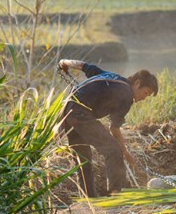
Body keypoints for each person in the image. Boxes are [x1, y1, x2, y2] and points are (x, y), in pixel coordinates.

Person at [57, 59, 158, 197]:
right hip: (80, 113)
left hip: (68, 111)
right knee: (113, 149)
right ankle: (117, 192)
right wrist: (125, 152)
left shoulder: (112, 78)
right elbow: (114, 129)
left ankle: (90, 197)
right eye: (146, 93)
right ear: (137, 83)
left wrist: (65, 62)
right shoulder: (127, 95)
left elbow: (84, 66)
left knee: (83, 158)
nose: (144, 98)